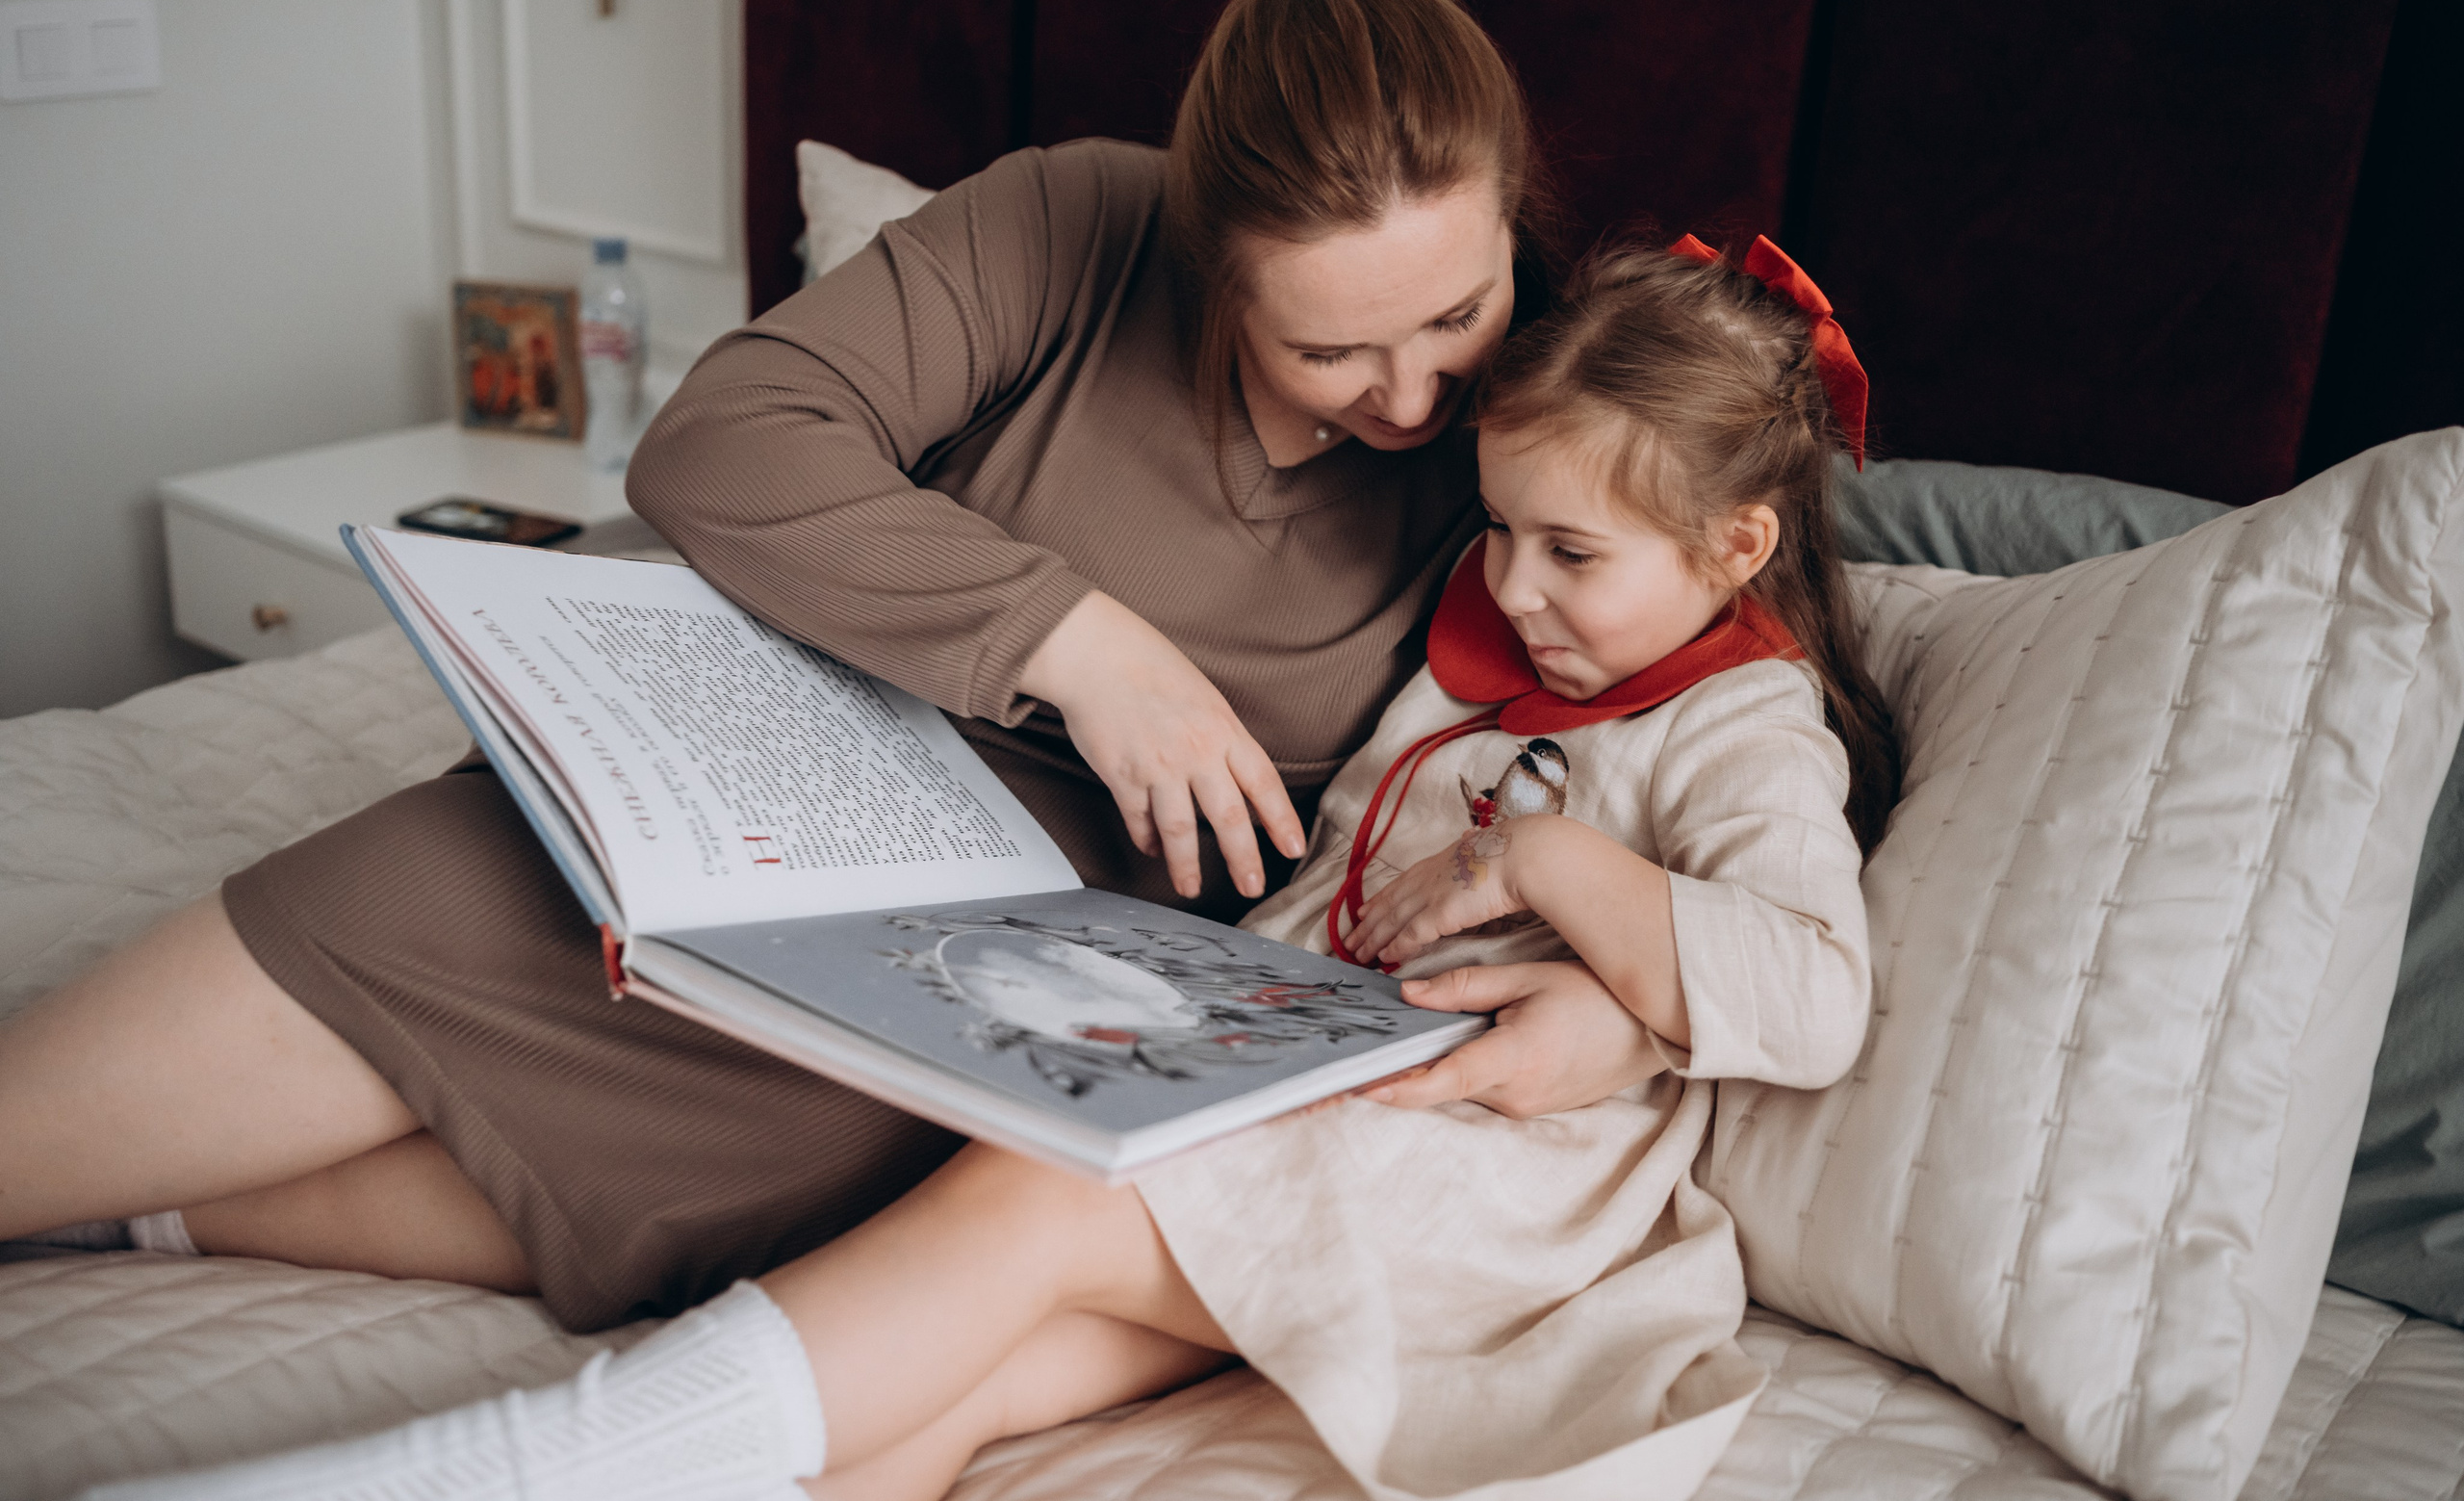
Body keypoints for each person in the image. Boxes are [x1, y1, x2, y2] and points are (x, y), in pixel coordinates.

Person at [3, 0, 1665, 1352]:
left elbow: (1709, 698)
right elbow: (724, 444)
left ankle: (135, 1222)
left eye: (1455, 312)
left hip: (1017, 972)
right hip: (769, 777)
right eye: (1330, 347)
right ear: (1208, 264)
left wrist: (1628, 983)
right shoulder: (1079, 221)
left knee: (792, 1179)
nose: (1413, 400)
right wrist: (1081, 642)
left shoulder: (1548, 412)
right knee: (445, 903)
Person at [82, 239, 1895, 1501]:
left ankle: (498, 1464)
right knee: (967, 1380)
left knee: (1017, 1212)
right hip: (1303, 1090)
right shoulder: (1487, 629)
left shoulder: (1739, 726)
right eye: (1495, 531)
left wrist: (1570, 878)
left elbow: (1809, 990)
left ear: (1735, 543)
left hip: (1476, 1181)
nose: (1509, 587)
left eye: (1567, 552)